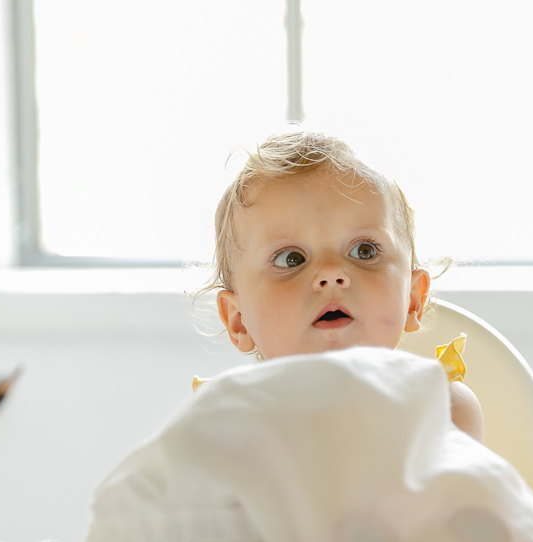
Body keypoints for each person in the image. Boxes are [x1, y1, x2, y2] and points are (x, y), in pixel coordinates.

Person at [203, 129, 485, 441]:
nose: (331, 273)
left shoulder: (441, 410)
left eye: (364, 252)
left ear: (412, 299)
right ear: (238, 321)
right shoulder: (228, 428)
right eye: (291, 259)